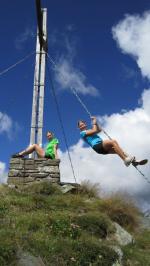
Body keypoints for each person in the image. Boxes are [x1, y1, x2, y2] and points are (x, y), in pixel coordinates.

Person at [78, 116, 147, 167]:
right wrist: (94, 123)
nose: (82, 125)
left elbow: (99, 130)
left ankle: (134, 161)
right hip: (97, 146)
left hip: (101, 149)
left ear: (85, 124)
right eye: (81, 125)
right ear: (79, 127)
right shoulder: (82, 133)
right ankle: (125, 160)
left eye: (83, 123)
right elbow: (95, 130)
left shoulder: (89, 130)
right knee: (113, 142)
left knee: (119, 150)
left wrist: (96, 123)